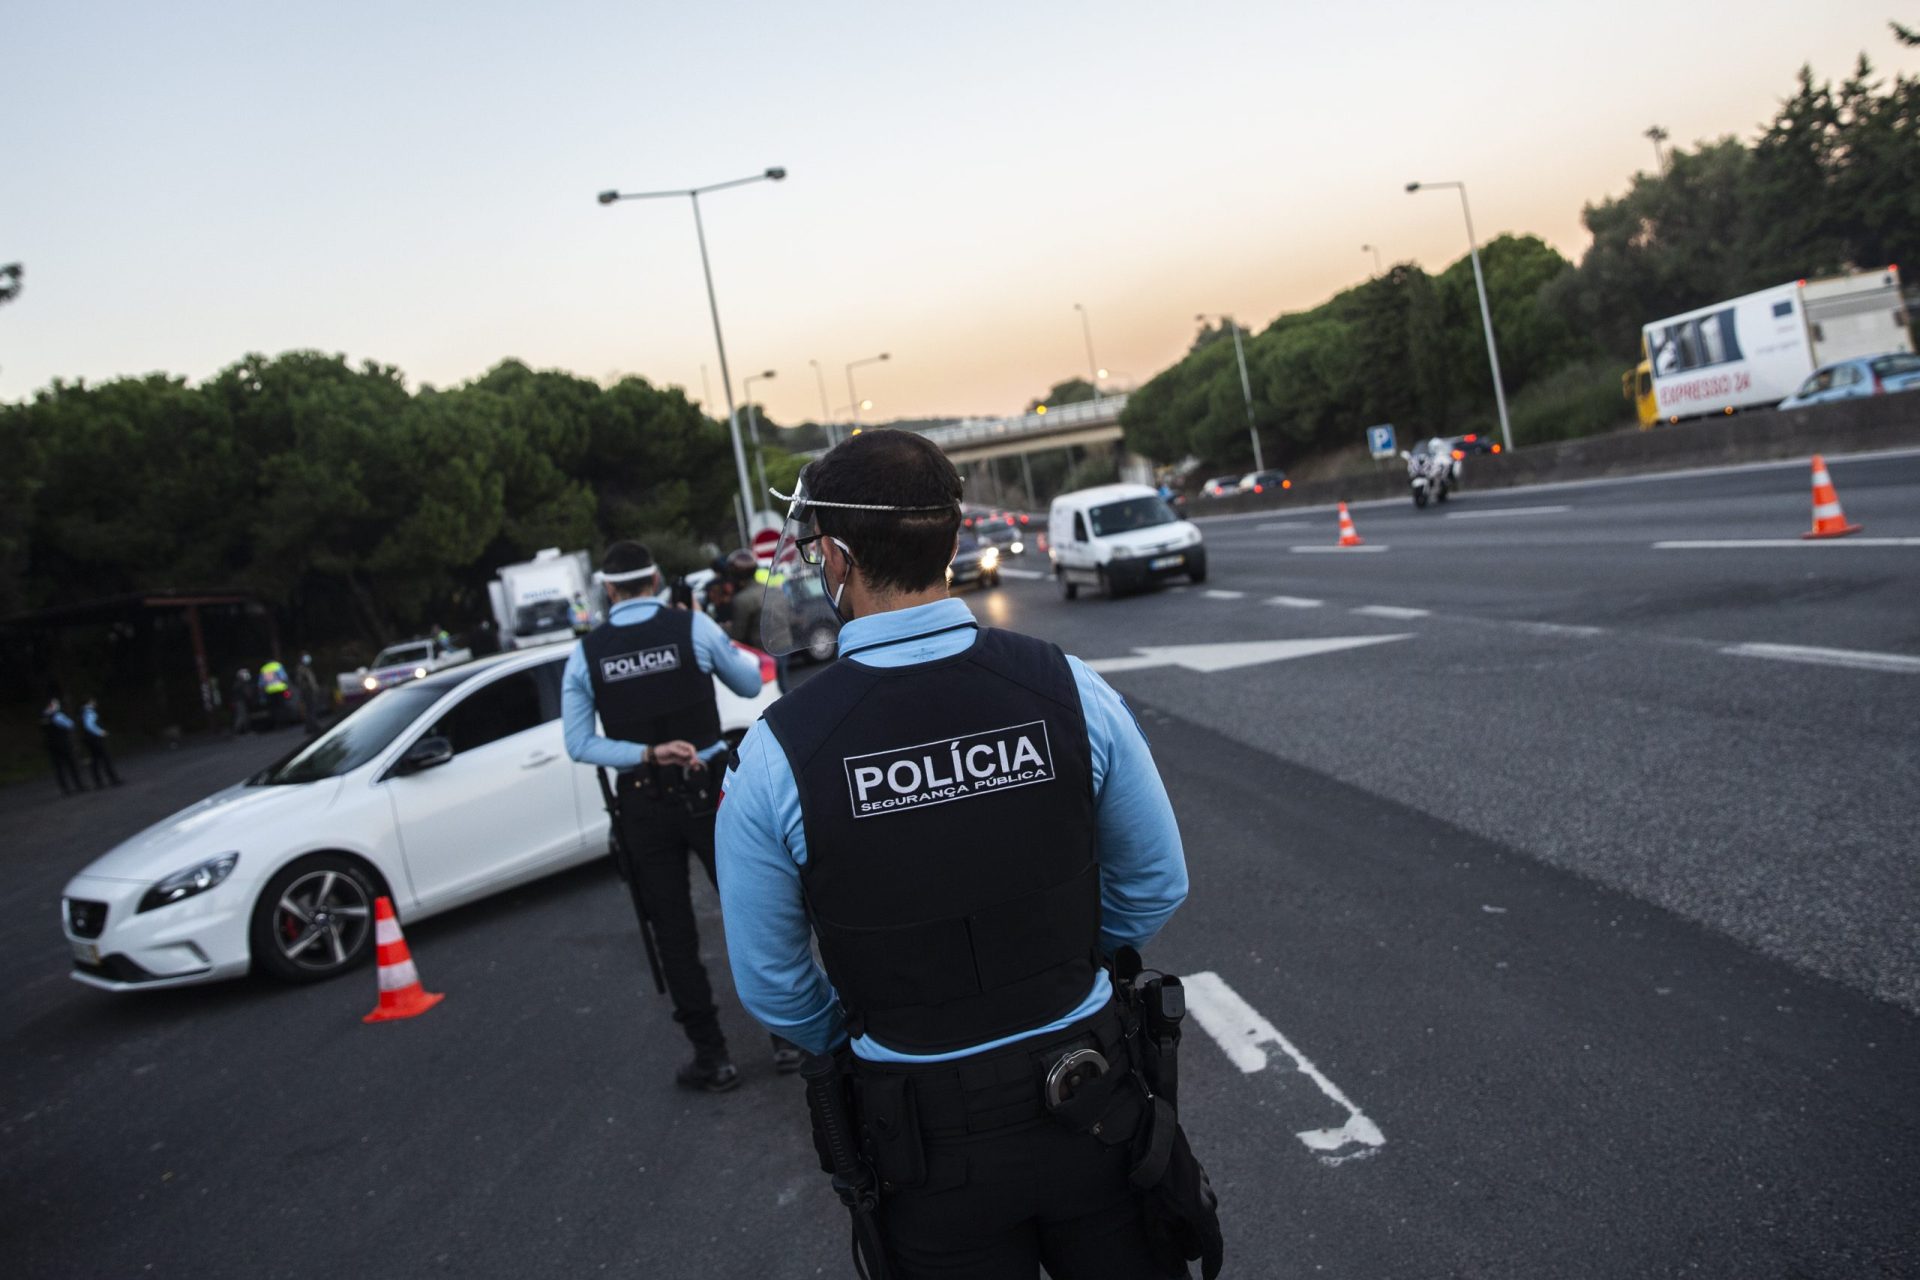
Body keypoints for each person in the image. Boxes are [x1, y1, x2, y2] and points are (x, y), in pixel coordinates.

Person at [717, 430, 1220, 1279]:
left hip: (922, 1141)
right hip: (1094, 1101)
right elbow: (1154, 882)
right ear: (952, 538)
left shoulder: (777, 752)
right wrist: (1062, 961)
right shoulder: (1066, 686)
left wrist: (884, 1025)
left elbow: (774, 982)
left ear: (835, 559)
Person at [560, 540, 796, 1092]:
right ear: (657, 579)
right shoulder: (691, 629)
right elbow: (746, 683)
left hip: (642, 800)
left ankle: (712, 1058)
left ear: (609, 590)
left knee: (671, 930)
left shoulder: (587, 654)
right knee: (751, 907)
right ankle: (789, 1036)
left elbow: (578, 743)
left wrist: (644, 753)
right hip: (707, 789)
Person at [41, 697, 86, 795]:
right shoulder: (57, 716)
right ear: (53, 705)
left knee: (59, 769)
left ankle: (65, 789)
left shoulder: (44, 717)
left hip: (52, 746)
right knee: (72, 765)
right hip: (63, 744)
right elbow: (70, 724)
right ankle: (79, 785)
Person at [78, 697, 123, 787]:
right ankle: (113, 779)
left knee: (95, 761)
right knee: (105, 759)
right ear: (90, 702)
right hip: (95, 739)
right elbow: (89, 725)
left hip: (88, 740)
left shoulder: (82, 712)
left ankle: (98, 782)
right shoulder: (90, 712)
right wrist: (101, 732)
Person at [295, 655, 323, 736]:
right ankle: (313, 726)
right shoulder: (302, 669)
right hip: (308, 691)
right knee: (311, 708)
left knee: (310, 709)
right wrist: (314, 688)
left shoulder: (304, 668)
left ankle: (309, 726)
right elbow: (306, 681)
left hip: (307, 691)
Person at [229, 667, 253, 735]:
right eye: (245, 674)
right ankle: (236, 731)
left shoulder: (240, 683)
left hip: (241, 701)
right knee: (241, 716)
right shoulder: (240, 683)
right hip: (239, 702)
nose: (247, 675)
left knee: (245, 716)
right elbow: (247, 693)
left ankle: (246, 731)